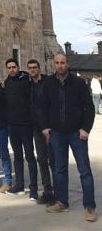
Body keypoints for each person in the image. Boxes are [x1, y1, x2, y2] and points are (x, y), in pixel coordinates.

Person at [42, 53, 97, 222]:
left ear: (67, 64)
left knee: (84, 170)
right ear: (54, 64)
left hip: (76, 133)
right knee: (59, 169)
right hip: (57, 133)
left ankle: (89, 206)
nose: (60, 65)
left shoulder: (79, 83)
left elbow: (89, 107)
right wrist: (45, 127)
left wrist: (85, 129)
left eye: (63, 63)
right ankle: (62, 202)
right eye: (57, 63)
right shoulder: (48, 83)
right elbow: (44, 106)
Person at [4, 58, 38, 198]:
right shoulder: (6, 82)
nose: (12, 69)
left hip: (25, 125)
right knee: (17, 157)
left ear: (18, 67)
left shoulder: (26, 80)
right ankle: (19, 184)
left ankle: (34, 188)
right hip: (12, 126)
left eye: (14, 67)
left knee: (30, 156)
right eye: (9, 67)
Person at [27, 58, 55, 204]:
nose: (32, 70)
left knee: (53, 161)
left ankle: (58, 191)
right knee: (42, 160)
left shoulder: (48, 83)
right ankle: (47, 190)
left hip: (49, 129)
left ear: (39, 68)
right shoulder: (28, 84)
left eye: (34, 67)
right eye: (30, 68)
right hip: (37, 129)